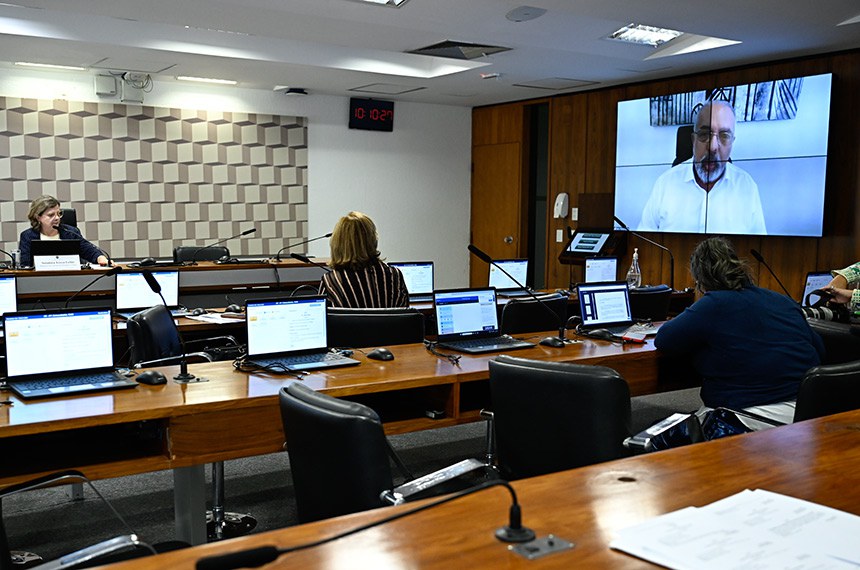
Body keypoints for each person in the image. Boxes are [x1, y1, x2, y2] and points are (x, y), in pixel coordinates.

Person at [655, 237, 823, 427]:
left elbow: (664, 339)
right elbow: (819, 348)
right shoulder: (783, 301)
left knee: (653, 439)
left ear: (700, 280)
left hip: (749, 416)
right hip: (809, 411)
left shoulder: (714, 304)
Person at [639, 101, 767, 234]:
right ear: (693, 140)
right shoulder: (664, 184)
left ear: (732, 142)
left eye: (724, 136)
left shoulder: (747, 187)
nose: (712, 147)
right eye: (704, 134)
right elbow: (643, 242)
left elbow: (759, 250)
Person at [319, 211, 409, 308]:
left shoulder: (331, 282)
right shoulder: (394, 276)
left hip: (349, 324)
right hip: (390, 324)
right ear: (373, 240)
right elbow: (404, 317)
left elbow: (323, 320)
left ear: (338, 244)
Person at [19, 195, 110, 267]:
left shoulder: (70, 232)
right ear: (38, 217)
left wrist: (100, 258)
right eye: (51, 215)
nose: (57, 218)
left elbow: (88, 250)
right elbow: (25, 265)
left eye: (59, 214)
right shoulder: (27, 236)